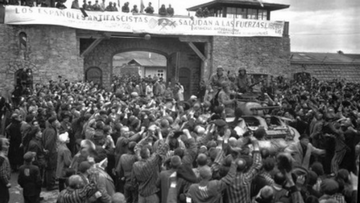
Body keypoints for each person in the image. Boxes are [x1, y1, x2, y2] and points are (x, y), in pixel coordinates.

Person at [0, 137, 11, 203]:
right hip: (2, 184)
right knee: (4, 199)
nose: (8, 145)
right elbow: (2, 173)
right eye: (6, 144)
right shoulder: (3, 158)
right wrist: (7, 183)